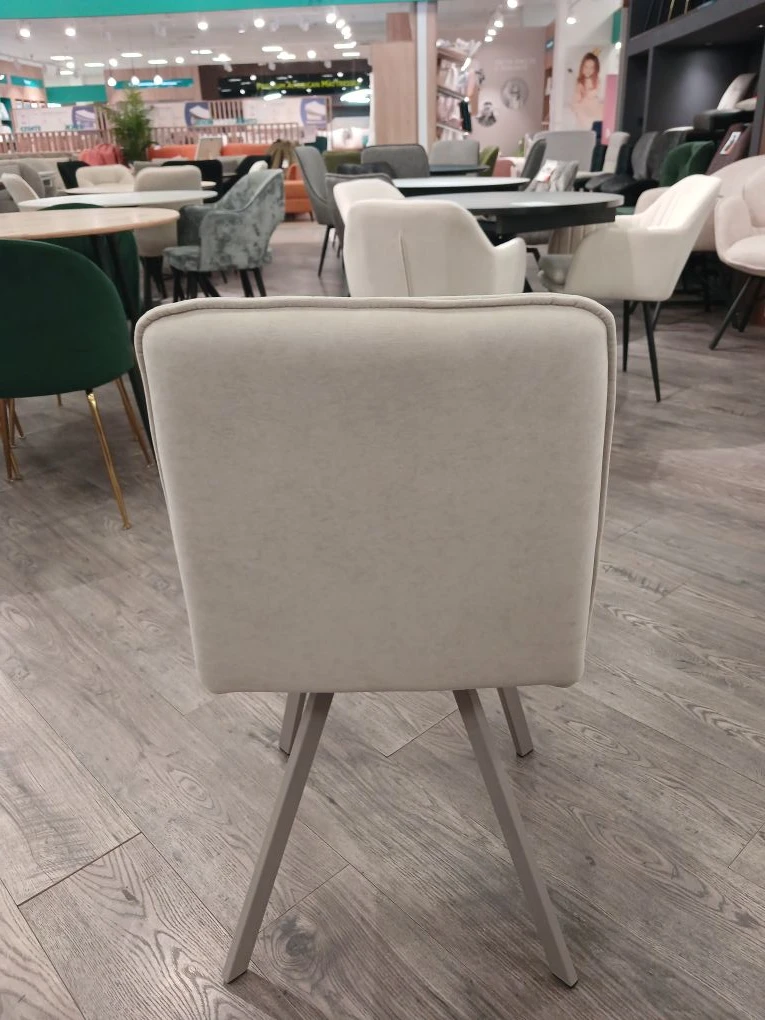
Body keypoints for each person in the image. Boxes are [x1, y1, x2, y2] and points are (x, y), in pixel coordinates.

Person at [571, 52, 603, 129]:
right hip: (584, 111)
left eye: (591, 68)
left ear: (595, 69)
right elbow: (575, 101)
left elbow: (597, 94)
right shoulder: (580, 83)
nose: (588, 70)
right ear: (582, 67)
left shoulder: (597, 81)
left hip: (594, 109)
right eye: (586, 67)